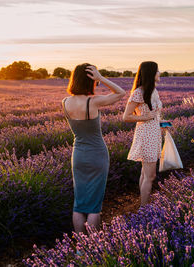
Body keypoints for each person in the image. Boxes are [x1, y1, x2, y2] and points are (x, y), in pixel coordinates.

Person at [61, 63, 125, 233]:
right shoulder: (93, 101)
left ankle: (81, 249)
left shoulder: (65, 102)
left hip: (78, 156)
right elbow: (121, 93)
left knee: (79, 203)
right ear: (90, 79)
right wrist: (101, 78)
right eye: (94, 80)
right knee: (94, 205)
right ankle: (94, 246)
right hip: (97, 155)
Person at [123, 61, 168, 207]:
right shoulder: (138, 92)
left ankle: (143, 205)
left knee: (145, 173)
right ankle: (144, 209)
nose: (159, 73)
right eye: (157, 71)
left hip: (155, 134)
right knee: (150, 175)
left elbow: (155, 114)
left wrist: (162, 123)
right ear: (150, 73)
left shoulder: (153, 91)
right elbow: (126, 116)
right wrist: (145, 117)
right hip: (146, 135)